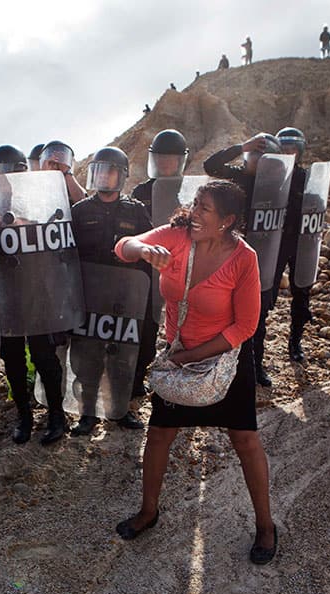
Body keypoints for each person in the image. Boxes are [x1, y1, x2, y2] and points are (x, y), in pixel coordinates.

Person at [112, 180, 276, 565]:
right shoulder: (176, 237)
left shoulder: (243, 258)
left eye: (205, 209)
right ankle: (148, 512)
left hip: (225, 359)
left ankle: (266, 526)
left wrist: (192, 357)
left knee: (245, 440)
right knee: (159, 435)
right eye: (195, 204)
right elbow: (123, 247)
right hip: (179, 353)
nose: (195, 213)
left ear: (227, 221)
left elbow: (245, 326)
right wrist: (144, 249)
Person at [0, 145, 70, 445]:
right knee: (12, 360)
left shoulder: (36, 197)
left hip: (35, 292)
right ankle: (23, 415)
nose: (2, 176)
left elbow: (48, 229)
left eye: (8, 169)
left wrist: (7, 222)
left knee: (44, 356)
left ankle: (56, 414)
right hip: (3, 295)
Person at [69, 147, 152, 435]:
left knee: (121, 356)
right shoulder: (79, 212)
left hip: (122, 300)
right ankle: (87, 414)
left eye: (110, 170)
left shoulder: (136, 210)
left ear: (122, 176)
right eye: (99, 170)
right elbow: (67, 255)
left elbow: (147, 251)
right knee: (86, 358)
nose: (104, 176)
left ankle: (120, 410)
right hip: (89, 297)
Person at [251, 127, 313, 388]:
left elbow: (316, 206)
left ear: (299, 151)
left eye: (293, 149)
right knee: (262, 299)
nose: (289, 152)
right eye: (284, 148)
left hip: (299, 244)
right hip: (272, 245)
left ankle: (295, 343)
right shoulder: (269, 175)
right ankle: (256, 360)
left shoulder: (306, 177)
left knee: (302, 294)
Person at [131, 129, 189, 396]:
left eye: (172, 158)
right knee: (147, 325)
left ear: (180, 161)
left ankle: (175, 372)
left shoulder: (189, 192)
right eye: (161, 158)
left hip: (181, 268)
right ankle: (137, 376)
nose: (166, 163)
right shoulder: (141, 191)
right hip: (148, 270)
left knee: (181, 325)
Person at [202, 132, 282, 211]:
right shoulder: (238, 174)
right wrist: (241, 148)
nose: (256, 161)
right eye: (254, 155)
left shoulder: (278, 182)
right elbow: (210, 166)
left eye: (261, 158)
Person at [39, 140, 86, 205]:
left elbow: (82, 202)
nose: (55, 166)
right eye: (51, 163)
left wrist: (66, 171)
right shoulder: (38, 185)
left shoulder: (70, 186)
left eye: (60, 160)